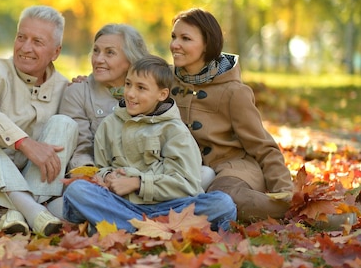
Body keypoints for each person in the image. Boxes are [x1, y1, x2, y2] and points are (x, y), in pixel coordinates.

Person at [62, 56, 237, 233]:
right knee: (77, 190)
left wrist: (137, 183)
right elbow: (102, 166)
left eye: (141, 88)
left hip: (169, 208)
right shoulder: (110, 124)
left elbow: (186, 185)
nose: (130, 93)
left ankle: (124, 226)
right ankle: (150, 228)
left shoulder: (174, 130)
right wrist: (108, 176)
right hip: (122, 204)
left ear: (162, 94)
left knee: (222, 204)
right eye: (128, 84)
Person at [0, 5, 78, 236]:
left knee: (66, 123)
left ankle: (19, 213)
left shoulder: (65, 88)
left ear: (56, 52)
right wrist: (23, 142)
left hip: (39, 187)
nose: (25, 47)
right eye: (21, 37)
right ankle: (31, 210)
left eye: (37, 42)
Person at [169, 7, 293, 222]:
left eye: (185, 38)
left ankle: (301, 214)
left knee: (225, 199)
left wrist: (284, 192)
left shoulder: (234, 92)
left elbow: (263, 145)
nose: (174, 45)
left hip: (231, 170)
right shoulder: (166, 81)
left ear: (207, 44)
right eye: (173, 37)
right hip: (182, 169)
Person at [58, 23, 151, 170]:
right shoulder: (78, 93)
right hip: (98, 179)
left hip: (148, 178)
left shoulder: (154, 91)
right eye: (96, 51)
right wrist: (95, 176)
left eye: (109, 53)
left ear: (131, 59)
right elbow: (81, 150)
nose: (98, 59)